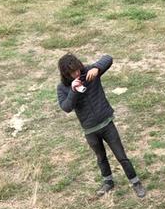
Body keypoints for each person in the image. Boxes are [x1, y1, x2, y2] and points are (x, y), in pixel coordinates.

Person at [56, 53, 146, 198]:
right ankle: (108, 183)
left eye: (77, 70)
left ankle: (136, 183)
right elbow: (66, 107)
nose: (77, 73)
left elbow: (108, 58)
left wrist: (97, 68)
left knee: (121, 156)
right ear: (65, 74)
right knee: (101, 158)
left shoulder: (90, 72)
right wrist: (73, 90)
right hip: (90, 130)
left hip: (106, 123)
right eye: (72, 73)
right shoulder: (63, 88)